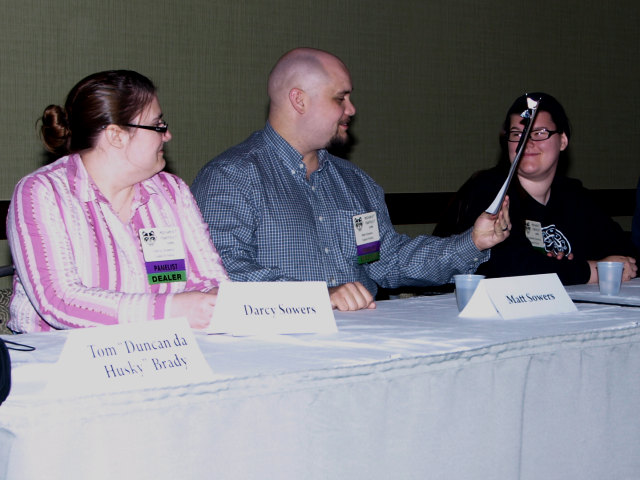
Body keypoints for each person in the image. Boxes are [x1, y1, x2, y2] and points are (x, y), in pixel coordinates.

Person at [191, 47, 510, 311]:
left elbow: (388, 261)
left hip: (363, 346)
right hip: (279, 354)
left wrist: (473, 242)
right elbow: (223, 275)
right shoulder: (231, 178)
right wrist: (319, 299)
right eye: (340, 98)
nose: (352, 109)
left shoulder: (356, 183)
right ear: (299, 100)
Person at [7, 70, 229, 333]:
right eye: (157, 124)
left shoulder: (173, 191)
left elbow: (211, 279)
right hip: (58, 360)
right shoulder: (41, 193)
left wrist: (216, 303)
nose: (166, 134)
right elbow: (59, 302)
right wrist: (171, 310)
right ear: (116, 135)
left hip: (160, 352)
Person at [434, 92, 637, 285]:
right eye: (517, 134)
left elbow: (628, 255)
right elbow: (511, 269)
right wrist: (594, 271)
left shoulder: (573, 195)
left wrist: (565, 266)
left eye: (539, 133)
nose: (526, 143)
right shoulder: (489, 190)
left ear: (563, 140)